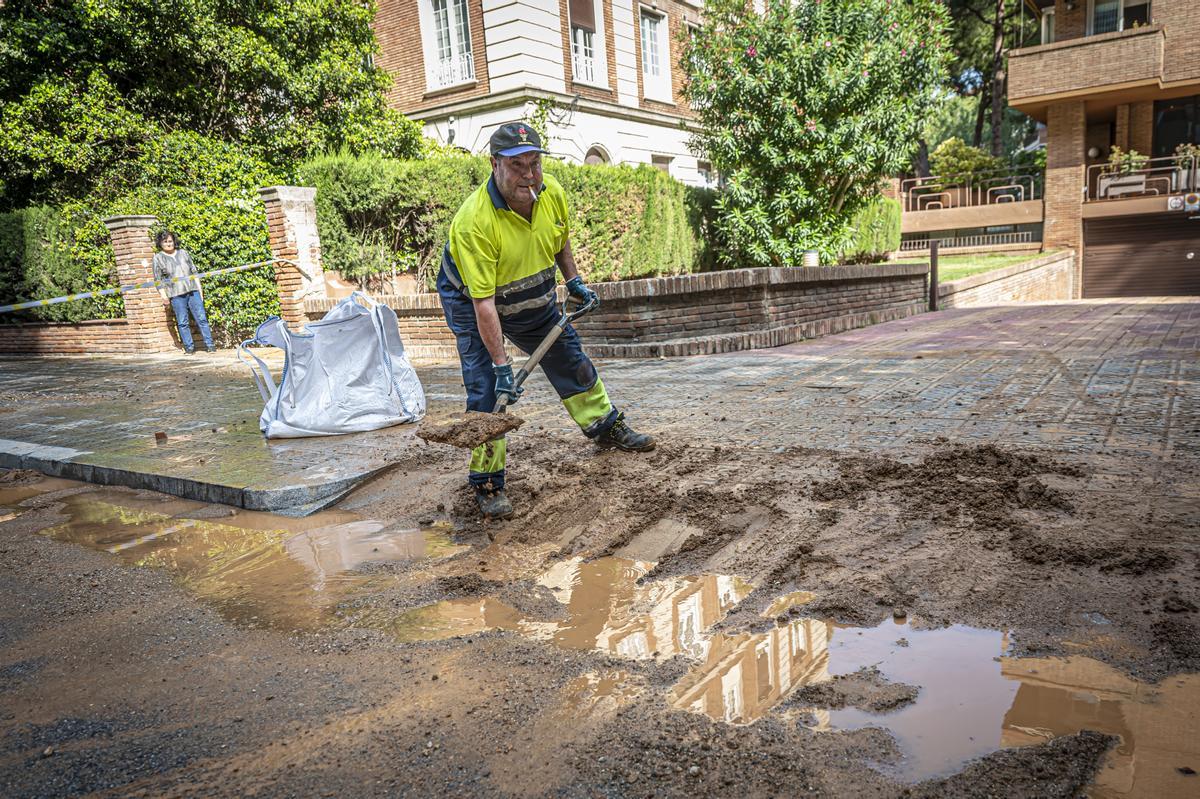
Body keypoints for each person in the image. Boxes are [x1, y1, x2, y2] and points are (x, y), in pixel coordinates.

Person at [439, 122, 656, 519]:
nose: (528, 174)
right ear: (494, 165)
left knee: (568, 355)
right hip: (471, 299)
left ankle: (605, 426)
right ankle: (487, 481)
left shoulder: (551, 191)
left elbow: (560, 239)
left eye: (534, 163)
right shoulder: (475, 222)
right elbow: (484, 305)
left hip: (529, 290)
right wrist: (502, 367)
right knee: (487, 387)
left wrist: (572, 279)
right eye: (517, 164)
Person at [153, 230, 214, 354]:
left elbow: (194, 272)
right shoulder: (158, 258)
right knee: (182, 322)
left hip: (193, 291)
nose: (168, 244)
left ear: (174, 241)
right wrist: (164, 296)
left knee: (202, 319)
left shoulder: (183, 253)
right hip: (176, 294)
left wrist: (200, 291)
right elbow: (158, 280)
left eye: (170, 241)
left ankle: (210, 345)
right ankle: (189, 348)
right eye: (165, 242)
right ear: (160, 244)